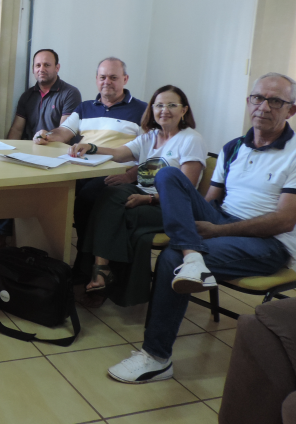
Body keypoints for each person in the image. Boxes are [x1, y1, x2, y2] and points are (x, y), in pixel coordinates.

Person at [108, 73, 296, 384]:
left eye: (275, 101)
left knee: (172, 259)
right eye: (257, 98)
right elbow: (210, 202)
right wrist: (206, 222)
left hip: (269, 244)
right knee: (169, 176)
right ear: (248, 102)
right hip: (223, 221)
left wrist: (215, 231)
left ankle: (157, 357)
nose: (263, 107)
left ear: (290, 110)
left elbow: (284, 221)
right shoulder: (233, 147)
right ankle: (193, 256)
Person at [68, 85, 207, 306]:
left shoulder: (191, 139)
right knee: (108, 195)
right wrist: (90, 147)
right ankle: (100, 268)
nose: (164, 110)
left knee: (121, 215)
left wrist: (149, 199)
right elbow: (118, 153)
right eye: (159, 105)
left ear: (184, 111)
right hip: (143, 194)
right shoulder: (150, 136)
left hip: (171, 208)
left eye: (172, 105)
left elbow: (185, 191)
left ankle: (101, 275)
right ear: (152, 109)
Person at [35, 57, 148, 283]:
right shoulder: (85, 107)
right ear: (96, 80)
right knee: (50, 189)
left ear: (125, 79)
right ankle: (53, 259)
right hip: (83, 168)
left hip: (117, 173)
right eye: (103, 77)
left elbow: (149, 150)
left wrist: (131, 174)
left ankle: (87, 264)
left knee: (86, 199)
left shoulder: (142, 110)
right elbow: (63, 133)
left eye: (114, 78)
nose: (107, 82)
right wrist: (46, 135)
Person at [0, 49, 82, 261]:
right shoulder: (27, 96)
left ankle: (31, 243)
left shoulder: (70, 93)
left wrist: (45, 137)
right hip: (28, 155)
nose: (42, 69)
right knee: (4, 182)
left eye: (47, 65)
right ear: (33, 69)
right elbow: (16, 130)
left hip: (57, 158)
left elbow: (65, 133)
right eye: (38, 65)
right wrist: (5, 152)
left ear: (57, 68)